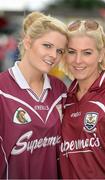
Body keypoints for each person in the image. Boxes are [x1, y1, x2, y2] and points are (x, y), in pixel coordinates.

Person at [0, 11, 68, 179]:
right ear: (28, 42)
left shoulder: (60, 90)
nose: (53, 56)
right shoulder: (2, 89)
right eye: (47, 46)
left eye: (60, 51)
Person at [60, 19, 105, 179]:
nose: (78, 60)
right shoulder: (63, 99)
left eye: (87, 52)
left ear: (100, 55)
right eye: (71, 52)